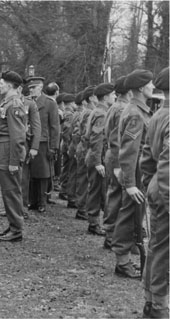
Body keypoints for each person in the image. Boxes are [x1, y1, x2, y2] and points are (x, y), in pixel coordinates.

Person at [112, 69, 154, 279]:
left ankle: (125, 260)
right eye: (150, 84)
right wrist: (130, 184)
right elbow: (129, 151)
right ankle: (122, 262)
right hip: (135, 173)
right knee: (128, 216)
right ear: (140, 88)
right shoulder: (136, 114)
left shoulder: (137, 110)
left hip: (137, 173)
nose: (153, 87)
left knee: (133, 216)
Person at [140, 67, 169, 319]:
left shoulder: (158, 115)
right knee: (164, 252)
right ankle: (159, 306)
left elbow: (147, 158)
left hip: (157, 189)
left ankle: (151, 300)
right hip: (167, 192)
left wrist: (151, 186)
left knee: (156, 248)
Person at [0, 71, 27, 242]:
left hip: (8, 151)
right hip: (3, 148)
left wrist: (14, 161)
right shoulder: (7, 103)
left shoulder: (14, 105)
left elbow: (18, 136)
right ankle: (13, 224)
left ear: (10, 85)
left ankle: (17, 229)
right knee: (7, 190)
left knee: (11, 190)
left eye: (1, 83)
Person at [84, 83, 115, 236]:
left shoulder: (97, 111)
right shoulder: (102, 114)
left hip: (94, 155)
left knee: (96, 190)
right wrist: (98, 162)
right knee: (96, 191)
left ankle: (94, 221)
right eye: (113, 95)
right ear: (106, 96)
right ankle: (94, 223)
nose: (115, 97)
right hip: (97, 156)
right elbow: (97, 138)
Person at [103, 76, 130, 249]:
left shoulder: (115, 106)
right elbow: (120, 138)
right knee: (117, 195)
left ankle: (111, 233)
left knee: (114, 193)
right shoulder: (122, 109)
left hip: (112, 154)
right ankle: (112, 234)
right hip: (118, 155)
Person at [29, 82, 60, 213]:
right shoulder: (26, 101)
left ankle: (42, 201)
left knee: (43, 174)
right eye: (29, 88)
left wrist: (53, 147)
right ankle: (32, 200)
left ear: (40, 88)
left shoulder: (49, 103)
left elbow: (55, 127)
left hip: (43, 142)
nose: (31, 90)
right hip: (29, 140)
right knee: (30, 173)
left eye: (33, 88)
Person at [74, 85, 96, 220]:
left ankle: (82, 207)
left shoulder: (87, 111)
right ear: (92, 98)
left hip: (82, 146)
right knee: (84, 179)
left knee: (83, 178)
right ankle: (82, 208)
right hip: (85, 147)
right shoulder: (89, 112)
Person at [19, 81, 41, 216]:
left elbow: (37, 126)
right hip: (10, 145)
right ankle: (11, 206)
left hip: (24, 144)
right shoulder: (6, 102)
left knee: (23, 177)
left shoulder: (30, 103)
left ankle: (22, 207)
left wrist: (34, 147)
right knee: (10, 177)